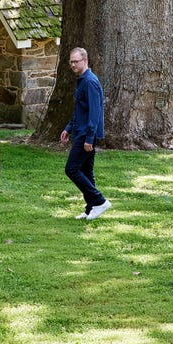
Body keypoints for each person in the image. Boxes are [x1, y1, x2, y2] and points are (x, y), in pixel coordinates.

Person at [60, 46, 110, 219]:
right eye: (71, 62)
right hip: (80, 131)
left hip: (86, 134)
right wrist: (68, 128)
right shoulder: (82, 80)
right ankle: (91, 208)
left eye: (76, 61)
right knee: (86, 171)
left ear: (85, 61)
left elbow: (95, 113)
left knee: (71, 169)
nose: (73, 65)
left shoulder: (90, 81)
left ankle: (100, 201)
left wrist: (89, 138)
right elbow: (80, 110)